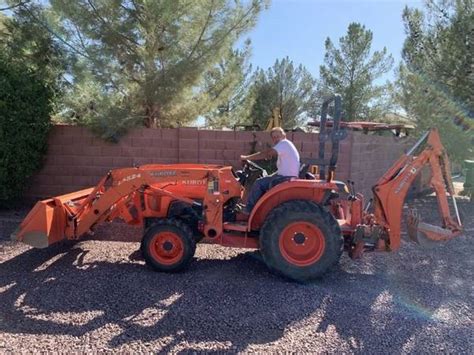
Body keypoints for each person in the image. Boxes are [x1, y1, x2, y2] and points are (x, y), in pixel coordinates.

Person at [239, 127, 300, 215]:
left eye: (278, 136)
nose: (276, 139)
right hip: (284, 175)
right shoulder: (286, 145)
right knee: (264, 178)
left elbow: (266, 154)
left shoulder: (284, 144)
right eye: (274, 137)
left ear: (284, 136)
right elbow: (271, 154)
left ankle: (249, 209)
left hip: (284, 178)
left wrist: (246, 158)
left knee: (259, 183)